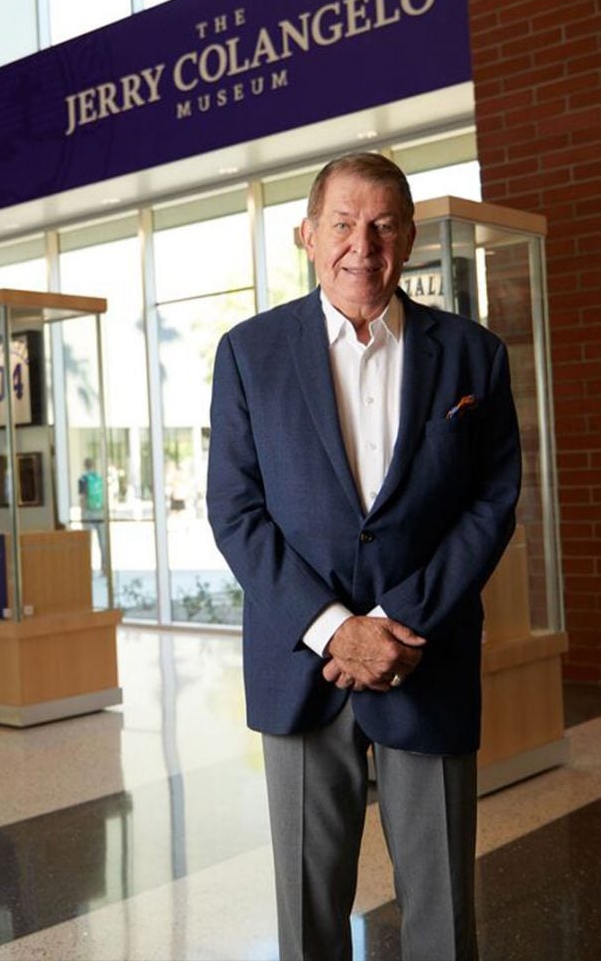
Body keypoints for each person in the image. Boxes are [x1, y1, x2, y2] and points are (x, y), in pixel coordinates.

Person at [206, 153, 521, 961]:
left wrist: (394, 621)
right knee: (308, 914)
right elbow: (235, 510)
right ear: (306, 236)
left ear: (408, 238)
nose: (362, 244)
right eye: (343, 223)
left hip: (428, 653)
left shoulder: (472, 356)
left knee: (442, 913)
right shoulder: (248, 352)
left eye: (383, 224)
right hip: (301, 664)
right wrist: (334, 629)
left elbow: (490, 503)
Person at [78, 457, 107, 572]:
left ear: (85, 466)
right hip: (100, 511)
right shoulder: (99, 478)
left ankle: (87, 568)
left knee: (87, 541)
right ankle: (104, 567)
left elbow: (82, 497)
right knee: (102, 541)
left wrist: (82, 512)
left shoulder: (83, 479)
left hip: (88, 513)